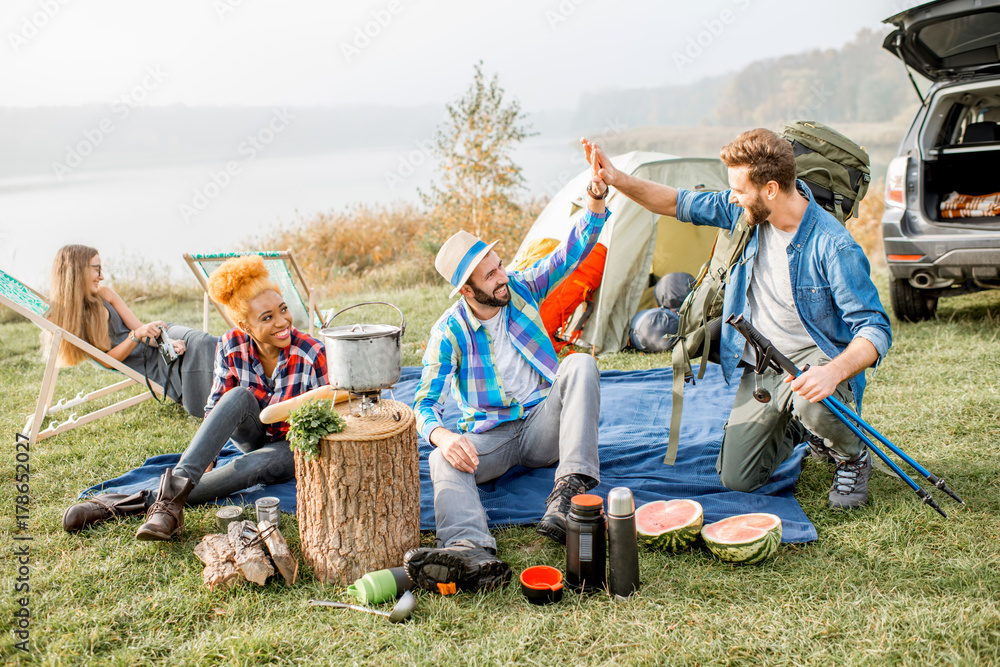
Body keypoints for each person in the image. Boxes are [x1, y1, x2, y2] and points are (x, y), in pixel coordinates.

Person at [583, 129, 892, 510]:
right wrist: (616, 178)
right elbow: (674, 202)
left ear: (772, 189)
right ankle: (800, 426)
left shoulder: (834, 245)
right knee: (738, 479)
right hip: (765, 362)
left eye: (739, 190)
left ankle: (852, 455)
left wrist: (831, 373)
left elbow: (875, 328)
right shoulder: (745, 211)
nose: (731, 197)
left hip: (815, 364)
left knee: (811, 401)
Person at [403, 140, 610, 595]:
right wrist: (444, 435)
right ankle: (470, 551)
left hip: (542, 424)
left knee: (579, 365)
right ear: (466, 290)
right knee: (441, 459)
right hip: (491, 437)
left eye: (499, 266)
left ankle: (570, 493)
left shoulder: (520, 288)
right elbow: (423, 403)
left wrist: (595, 196)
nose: (503, 277)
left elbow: (570, 253)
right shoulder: (448, 333)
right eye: (491, 275)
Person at [61, 255, 329, 538]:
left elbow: (331, 418)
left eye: (283, 309)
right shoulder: (230, 344)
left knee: (251, 466)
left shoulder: (312, 352)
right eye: (267, 317)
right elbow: (217, 407)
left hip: (291, 447)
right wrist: (203, 463)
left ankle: (129, 505)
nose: (282, 321)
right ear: (244, 325)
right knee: (237, 395)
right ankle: (169, 503)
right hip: (253, 434)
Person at [45, 244, 218, 418]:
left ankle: (231, 391)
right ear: (77, 271)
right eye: (97, 270)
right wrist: (135, 337)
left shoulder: (105, 294)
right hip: (149, 362)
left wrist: (168, 343)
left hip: (159, 340)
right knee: (201, 347)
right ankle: (221, 402)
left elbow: (139, 328)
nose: (102, 276)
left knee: (204, 342)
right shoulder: (68, 321)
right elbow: (108, 361)